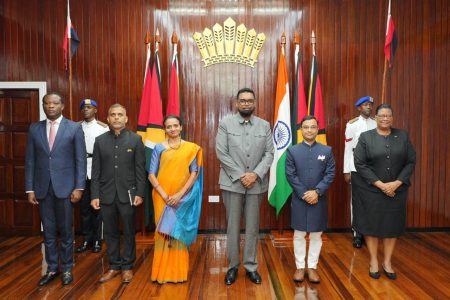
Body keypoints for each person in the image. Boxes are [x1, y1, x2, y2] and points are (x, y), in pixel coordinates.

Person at [25, 92, 86, 286]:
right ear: (43, 106)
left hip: (66, 189)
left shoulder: (74, 128)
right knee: (48, 232)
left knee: (66, 231)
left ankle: (67, 268)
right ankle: (52, 268)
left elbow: (80, 160)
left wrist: (79, 187)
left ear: (62, 105)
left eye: (54, 103)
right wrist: (30, 189)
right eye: (47, 103)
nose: (50, 106)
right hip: (43, 189)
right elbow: (30, 161)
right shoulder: (34, 129)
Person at [216, 87, 274, 285]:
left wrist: (255, 174)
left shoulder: (265, 125)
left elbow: (269, 153)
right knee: (232, 227)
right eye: (243, 100)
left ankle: (250, 266)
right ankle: (232, 266)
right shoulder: (225, 123)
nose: (246, 103)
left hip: (256, 184)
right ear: (236, 103)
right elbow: (221, 153)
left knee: (252, 228)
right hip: (232, 183)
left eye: (250, 100)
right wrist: (242, 176)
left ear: (255, 103)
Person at [353, 103, 416, 280]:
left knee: (392, 227)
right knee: (371, 226)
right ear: (376, 118)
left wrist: (396, 183)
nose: (385, 118)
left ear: (393, 118)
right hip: (372, 190)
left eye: (388, 115)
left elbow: (411, 161)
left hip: (397, 190)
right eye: (382, 115)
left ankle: (387, 261)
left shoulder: (402, 136)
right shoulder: (366, 137)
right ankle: (373, 260)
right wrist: (381, 185)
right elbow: (360, 163)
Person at [90, 103, 146, 283]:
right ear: (107, 118)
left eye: (120, 114)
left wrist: (140, 193)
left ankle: (128, 266)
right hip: (105, 195)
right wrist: (94, 195)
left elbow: (140, 170)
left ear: (126, 118)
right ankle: (114, 266)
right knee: (111, 233)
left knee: (129, 231)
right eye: (112, 114)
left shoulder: (135, 140)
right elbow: (95, 171)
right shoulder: (100, 141)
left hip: (128, 195)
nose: (116, 117)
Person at [148, 115, 203, 284]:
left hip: (182, 198)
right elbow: (151, 174)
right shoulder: (158, 148)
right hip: (161, 197)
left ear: (181, 127)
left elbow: (194, 173)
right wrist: (164, 195)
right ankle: (161, 273)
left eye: (175, 126)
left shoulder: (191, 148)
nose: (172, 129)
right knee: (163, 233)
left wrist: (180, 195)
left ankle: (177, 273)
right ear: (164, 129)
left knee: (178, 232)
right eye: (168, 126)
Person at [285, 115, 336, 284]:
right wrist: (304, 193)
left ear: (317, 129)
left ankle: (312, 267)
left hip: (319, 199)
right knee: (299, 234)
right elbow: (290, 175)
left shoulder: (326, 150)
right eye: (306, 127)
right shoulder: (292, 151)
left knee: (316, 234)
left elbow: (330, 174)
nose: (309, 130)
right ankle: (300, 267)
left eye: (312, 127)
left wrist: (317, 192)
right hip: (300, 199)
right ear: (301, 130)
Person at [343, 96, 376, 248]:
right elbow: (348, 149)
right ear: (359, 108)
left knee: (373, 200)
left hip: (375, 168)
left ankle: (371, 231)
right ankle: (357, 233)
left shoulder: (376, 123)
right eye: (365, 105)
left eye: (370, 104)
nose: (368, 107)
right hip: (357, 167)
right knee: (356, 201)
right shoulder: (352, 125)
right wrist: (347, 170)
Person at [76, 99, 109, 253]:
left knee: (97, 208)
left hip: (98, 169)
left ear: (96, 110)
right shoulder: (76, 127)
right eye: (83, 108)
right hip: (81, 169)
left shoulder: (103, 128)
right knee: (84, 209)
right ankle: (86, 239)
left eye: (89, 107)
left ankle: (97, 239)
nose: (86, 110)